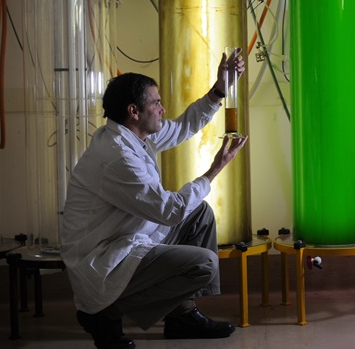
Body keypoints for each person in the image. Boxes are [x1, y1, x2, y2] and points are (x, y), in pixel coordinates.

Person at [61, 49, 248, 349]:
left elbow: (184, 126)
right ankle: (104, 313)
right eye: (156, 103)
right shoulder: (118, 156)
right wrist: (214, 171)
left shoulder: (131, 135)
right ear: (134, 111)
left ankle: (181, 315)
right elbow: (169, 211)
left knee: (199, 214)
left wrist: (219, 90)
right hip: (104, 259)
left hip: (126, 239)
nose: (162, 109)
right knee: (204, 265)